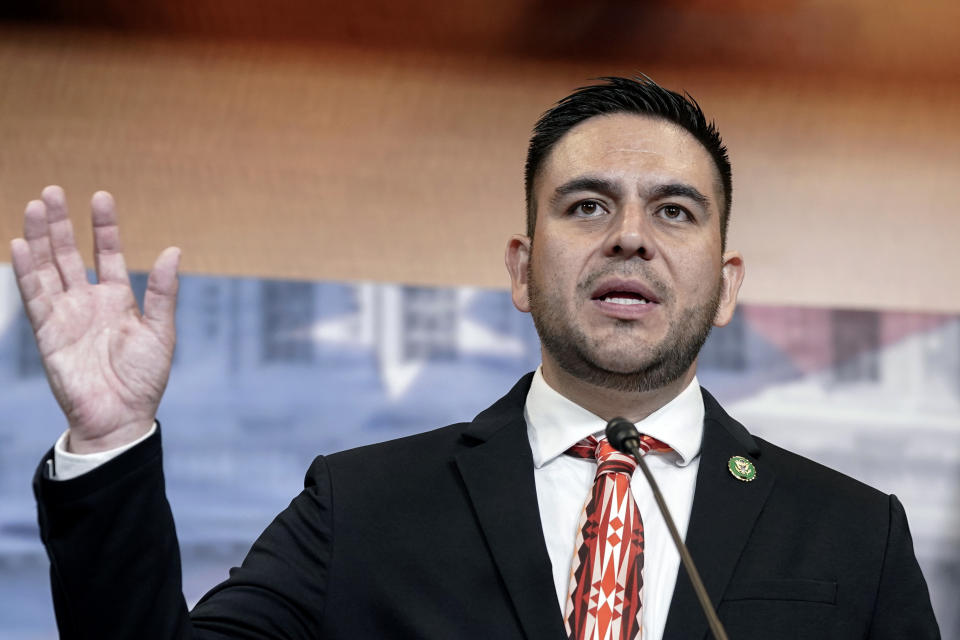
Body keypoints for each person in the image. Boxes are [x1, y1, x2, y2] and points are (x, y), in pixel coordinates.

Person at [12, 76, 939, 639]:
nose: (628, 238)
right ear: (524, 271)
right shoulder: (361, 506)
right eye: (585, 206)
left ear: (727, 283)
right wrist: (113, 437)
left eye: (675, 210)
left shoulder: (855, 536)